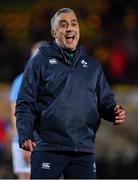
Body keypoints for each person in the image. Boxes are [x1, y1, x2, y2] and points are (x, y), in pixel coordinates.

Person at [15, 8, 126, 179]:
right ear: (54, 32)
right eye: (63, 24)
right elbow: (24, 102)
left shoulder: (93, 66)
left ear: (78, 30)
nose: (69, 28)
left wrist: (114, 112)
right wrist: (25, 133)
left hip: (83, 149)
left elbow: (105, 101)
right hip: (48, 147)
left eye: (74, 24)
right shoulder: (39, 62)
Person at [10, 41, 46, 179]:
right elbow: (16, 114)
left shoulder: (49, 80)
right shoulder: (22, 80)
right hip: (27, 140)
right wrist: (25, 142)